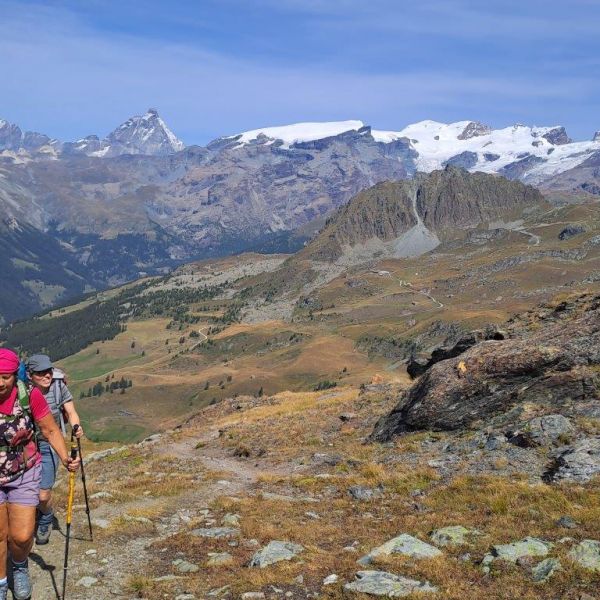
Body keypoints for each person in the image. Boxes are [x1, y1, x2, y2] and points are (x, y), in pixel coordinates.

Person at [0, 348, 79, 600]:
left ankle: (19, 565)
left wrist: (65, 457)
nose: (0, 382)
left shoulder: (30, 396)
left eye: (5, 376)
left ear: (15, 375)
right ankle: (2, 583)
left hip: (24, 471)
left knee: (22, 536)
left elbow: (50, 429)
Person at [25, 354, 84, 546]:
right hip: (26, 445)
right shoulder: (23, 391)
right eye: (40, 373)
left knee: (43, 494)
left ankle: (45, 517)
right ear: (30, 375)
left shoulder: (59, 387)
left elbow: (71, 411)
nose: (46, 376)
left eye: (48, 371)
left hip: (49, 443)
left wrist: (76, 427)